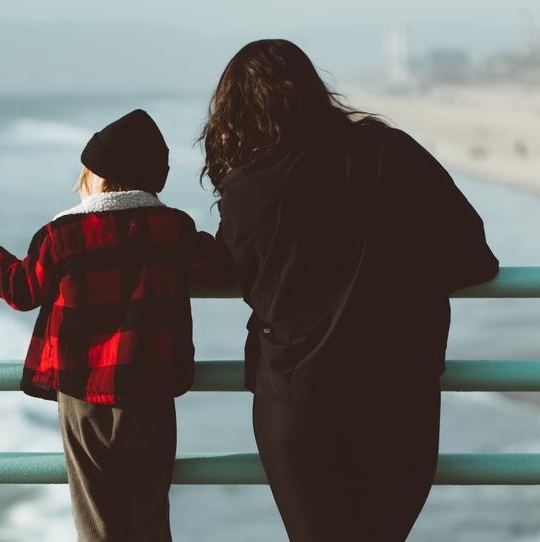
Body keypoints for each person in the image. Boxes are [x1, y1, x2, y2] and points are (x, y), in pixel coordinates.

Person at [199, 39, 499, 541]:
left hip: (298, 401)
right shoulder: (390, 151)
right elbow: (474, 258)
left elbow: (235, 273)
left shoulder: (248, 188)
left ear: (236, 112)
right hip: (401, 395)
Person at [0, 109, 235, 542]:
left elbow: (22, 290)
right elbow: (220, 268)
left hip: (83, 392)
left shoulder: (62, 234)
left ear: (96, 177)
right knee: (150, 514)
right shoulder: (174, 228)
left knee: (97, 515)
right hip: (151, 393)